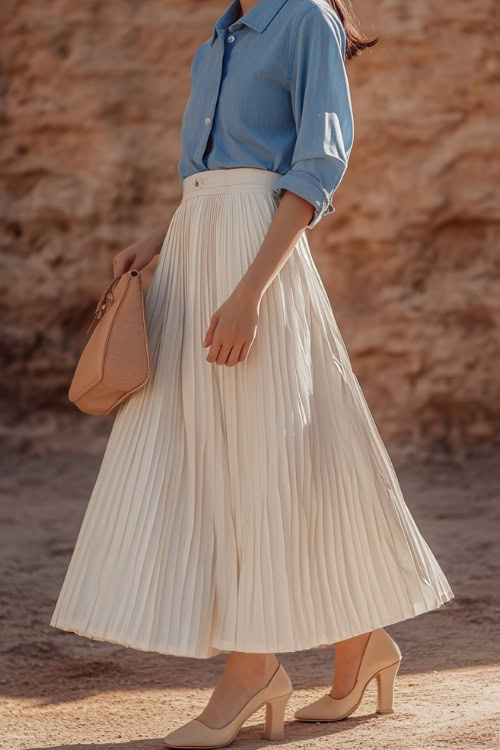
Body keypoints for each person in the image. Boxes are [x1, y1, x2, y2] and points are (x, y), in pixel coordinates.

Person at [50, 0, 455, 747]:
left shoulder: (302, 18)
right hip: (198, 250)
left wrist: (249, 293)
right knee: (255, 454)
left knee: (262, 458)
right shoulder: (217, 39)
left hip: (253, 265)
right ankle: (361, 643)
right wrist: (162, 238)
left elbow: (316, 163)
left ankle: (253, 669)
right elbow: (216, 178)